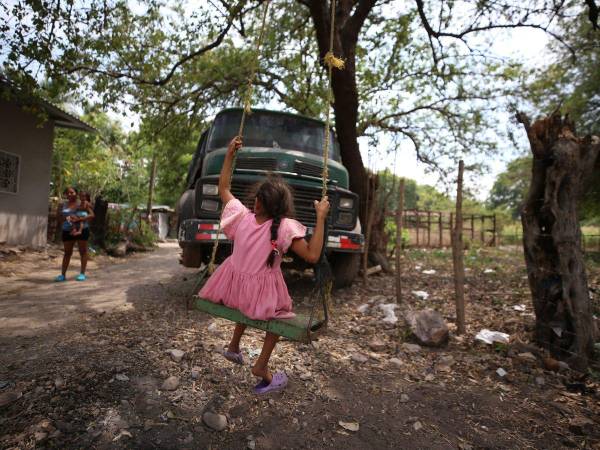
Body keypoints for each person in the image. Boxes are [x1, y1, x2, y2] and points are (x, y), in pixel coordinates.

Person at [200, 136, 330, 394]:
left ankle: (234, 346)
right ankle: (261, 366)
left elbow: (223, 187)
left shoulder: (241, 217)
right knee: (281, 311)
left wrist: (229, 155)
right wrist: (321, 216)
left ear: (259, 202)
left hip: (230, 291)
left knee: (251, 302)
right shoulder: (284, 228)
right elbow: (313, 256)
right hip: (257, 298)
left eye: (257, 197)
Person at [54, 187, 95, 282]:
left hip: (82, 229)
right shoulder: (62, 204)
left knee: (83, 252)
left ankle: (82, 274)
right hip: (67, 230)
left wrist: (79, 219)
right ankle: (62, 275)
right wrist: (67, 218)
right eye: (67, 193)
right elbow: (58, 218)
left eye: (72, 192)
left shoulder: (82, 202)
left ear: (76, 193)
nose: (70, 194)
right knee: (67, 253)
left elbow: (91, 215)